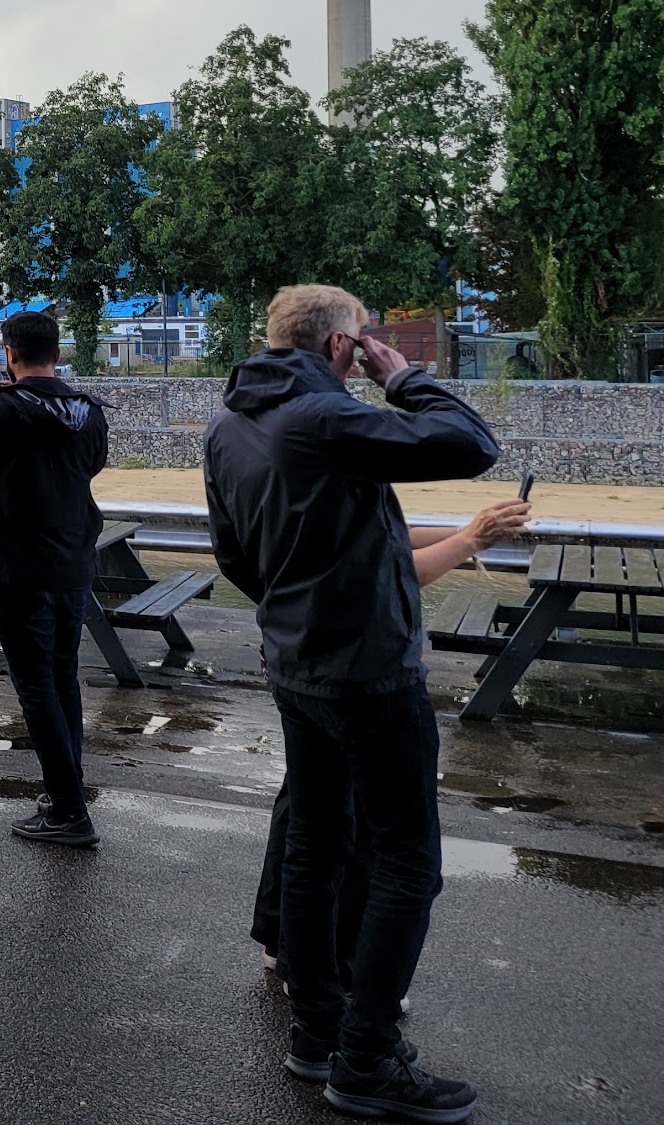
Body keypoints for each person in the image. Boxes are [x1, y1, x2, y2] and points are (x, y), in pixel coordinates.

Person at [205, 284, 498, 1124]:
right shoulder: (322, 418)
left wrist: (296, 610)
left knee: (314, 845)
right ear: (342, 347)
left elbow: (233, 551)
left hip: (296, 664)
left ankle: (315, 1032)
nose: (371, 350)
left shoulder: (229, 424)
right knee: (407, 861)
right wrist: (403, 377)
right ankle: (366, 1060)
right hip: (368, 670)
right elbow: (471, 442)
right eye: (363, 340)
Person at [249, 498, 532, 975]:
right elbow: (382, 570)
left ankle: (289, 946)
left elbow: (385, 535)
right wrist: (469, 540)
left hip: (296, 652)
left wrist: (464, 532)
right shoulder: (329, 450)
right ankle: (337, 979)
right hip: (356, 667)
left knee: (307, 814)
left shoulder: (262, 446)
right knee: (371, 832)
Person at [0, 309, 110, 849]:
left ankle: (69, 813)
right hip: (73, 561)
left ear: (8, 355)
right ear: (57, 354)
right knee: (63, 679)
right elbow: (92, 466)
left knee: (35, 687)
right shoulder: (89, 410)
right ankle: (68, 793)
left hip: (16, 565)